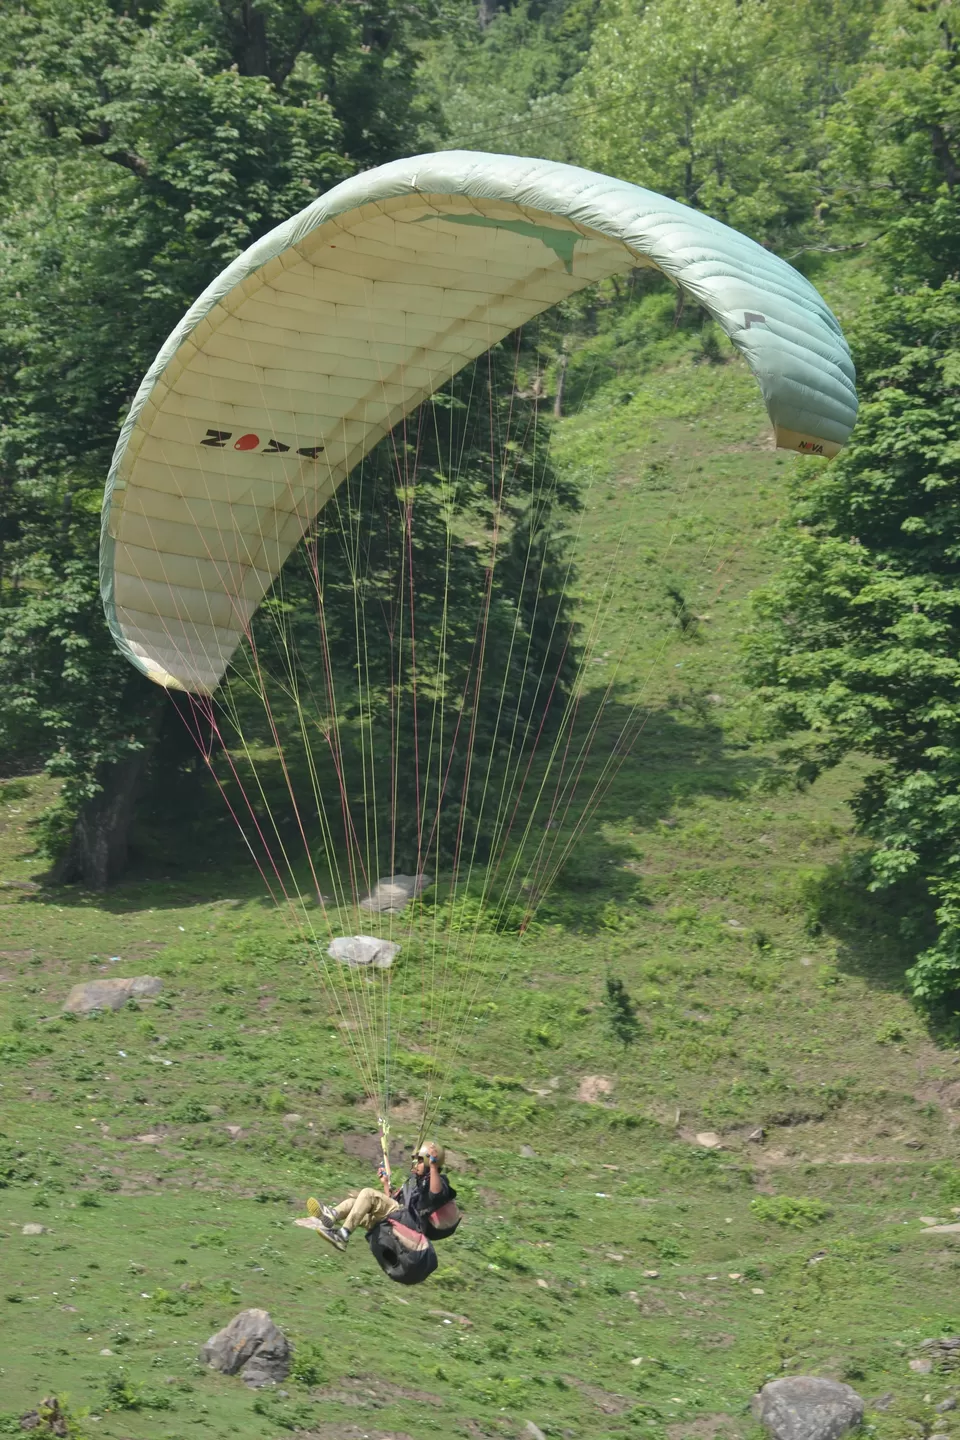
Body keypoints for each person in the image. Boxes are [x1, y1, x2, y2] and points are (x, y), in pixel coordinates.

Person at [306, 1140, 456, 1252]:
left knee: (368, 1194)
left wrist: (434, 1166)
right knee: (354, 1203)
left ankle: (342, 1235)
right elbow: (391, 1202)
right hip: (396, 1221)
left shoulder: (439, 1182)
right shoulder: (412, 1182)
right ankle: (332, 1215)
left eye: (420, 1161)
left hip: (409, 1224)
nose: (415, 1164)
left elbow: (435, 1195)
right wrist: (385, 1184)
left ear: (431, 1163)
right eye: (415, 1160)